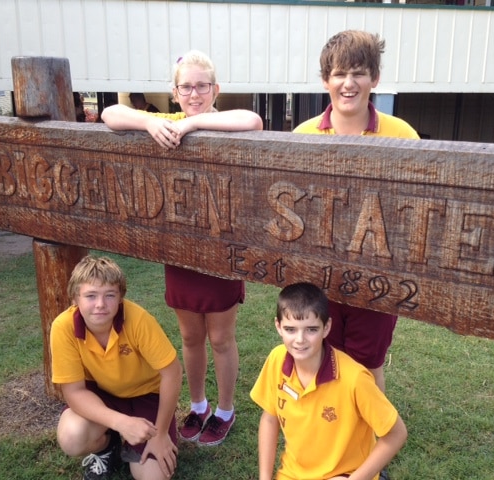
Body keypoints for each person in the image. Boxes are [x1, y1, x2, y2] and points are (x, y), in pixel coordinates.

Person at [101, 50, 263, 446]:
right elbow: (108, 114)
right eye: (186, 87)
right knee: (190, 338)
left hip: (219, 247)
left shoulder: (220, 122)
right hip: (179, 248)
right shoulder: (166, 121)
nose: (194, 94)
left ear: (214, 89)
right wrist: (148, 121)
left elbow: (254, 120)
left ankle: (225, 408)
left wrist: (191, 124)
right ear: (174, 92)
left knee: (221, 338)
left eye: (201, 86)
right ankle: (199, 404)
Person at [294, 30, 420, 394]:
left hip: (378, 279)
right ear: (325, 81)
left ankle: (371, 437)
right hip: (317, 277)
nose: (348, 84)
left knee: (367, 365)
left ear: (374, 78)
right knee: (321, 357)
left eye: (359, 72)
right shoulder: (300, 136)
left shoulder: (403, 136)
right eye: (339, 74)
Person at [250, 282, 408, 480]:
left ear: (327, 328)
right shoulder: (276, 359)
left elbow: (396, 433)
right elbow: (270, 417)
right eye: (290, 329)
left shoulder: (355, 378)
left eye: (311, 330)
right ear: (278, 326)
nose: (300, 339)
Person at [50, 255, 183, 480]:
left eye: (109, 295)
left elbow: (172, 372)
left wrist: (159, 434)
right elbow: (74, 392)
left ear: (120, 297)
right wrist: (121, 423)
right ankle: (107, 445)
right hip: (102, 394)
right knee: (72, 437)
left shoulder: (138, 319)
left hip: (146, 395)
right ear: (75, 298)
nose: (100, 304)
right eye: (90, 296)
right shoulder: (63, 327)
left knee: (154, 477)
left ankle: (141, 438)